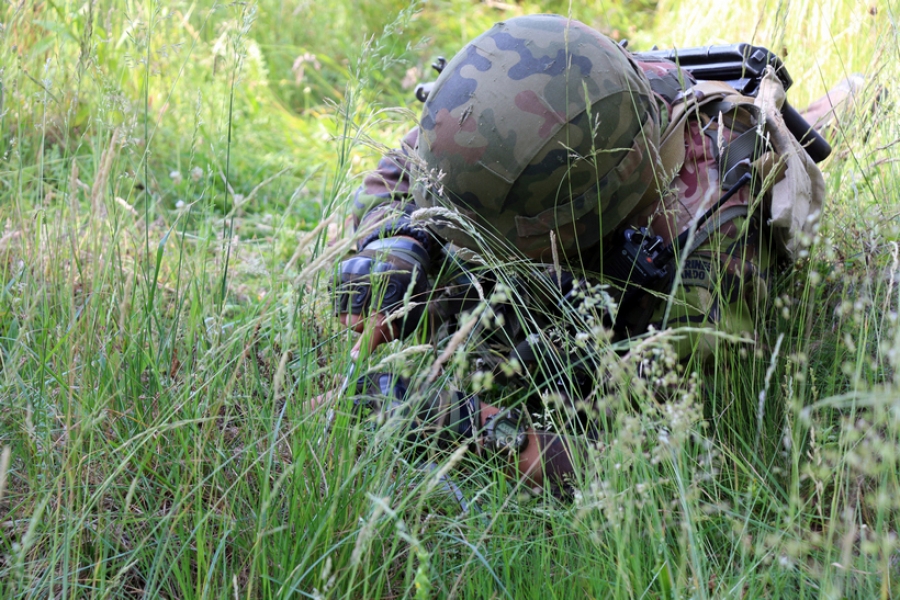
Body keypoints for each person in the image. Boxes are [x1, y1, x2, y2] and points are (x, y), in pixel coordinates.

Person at [326, 14, 836, 495]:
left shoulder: (702, 270)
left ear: (572, 226)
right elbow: (411, 166)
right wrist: (396, 243)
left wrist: (468, 426)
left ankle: (843, 101)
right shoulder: (543, 103)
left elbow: (650, 466)